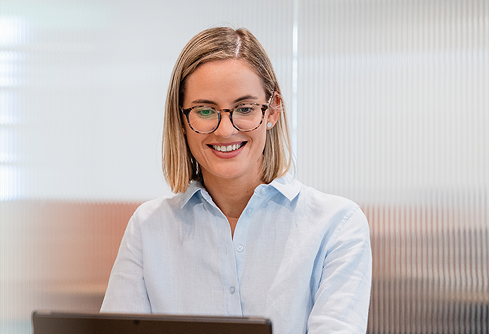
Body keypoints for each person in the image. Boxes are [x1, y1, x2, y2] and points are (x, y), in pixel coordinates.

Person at [101, 27, 372, 334]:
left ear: (272, 111)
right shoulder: (147, 228)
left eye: (244, 108)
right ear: (182, 119)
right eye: (205, 110)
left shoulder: (337, 226)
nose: (225, 130)